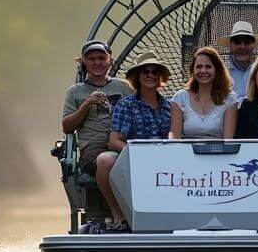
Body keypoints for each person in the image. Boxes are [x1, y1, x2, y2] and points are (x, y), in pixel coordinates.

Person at [92, 52, 173, 233]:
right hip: (132, 158)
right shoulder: (125, 104)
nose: (150, 75)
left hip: (165, 161)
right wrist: (138, 154)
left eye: (154, 71)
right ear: (137, 76)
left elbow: (175, 138)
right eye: (145, 71)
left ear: (160, 76)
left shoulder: (170, 106)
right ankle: (118, 214)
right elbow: (114, 141)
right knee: (104, 161)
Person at [61, 40, 133, 176]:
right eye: (91, 59)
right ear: (83, 62)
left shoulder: (123, 86)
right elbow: (67, 127)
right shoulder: (75, 91)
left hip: (122, 143)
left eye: (101, 58)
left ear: (110, 61)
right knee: (106, 162)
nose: (97, 63)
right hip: (92, 148)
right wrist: (87, 104)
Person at [169, 46, 238, 139]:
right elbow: (174, 140)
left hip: (218, 152)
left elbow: (228, 141)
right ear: (193, 70)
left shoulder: (230, 99)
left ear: (217, 69)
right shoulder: (180, 98)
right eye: (199, 66)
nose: (203, 71)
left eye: (208, 66)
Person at [217, 20, 258, 100]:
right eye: (237, 42)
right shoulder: (219, 72)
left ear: (253, 46)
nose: (242, 47)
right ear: (230, 46)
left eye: (247, 42)